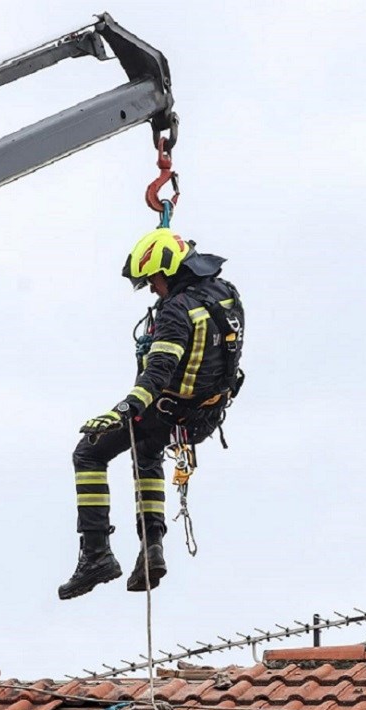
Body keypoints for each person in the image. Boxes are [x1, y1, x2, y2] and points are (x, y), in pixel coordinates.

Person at [58, 228, 245, 600]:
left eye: (153, 281)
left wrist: (122, 410)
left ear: (170, 270)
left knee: (89, 452)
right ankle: (152, 548)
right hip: (205, 417)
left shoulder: (177, 310)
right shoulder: (226, 293)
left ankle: (96, 554)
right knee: (146, 453)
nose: (152, 290)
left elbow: (158, 371)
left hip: (168, 411)